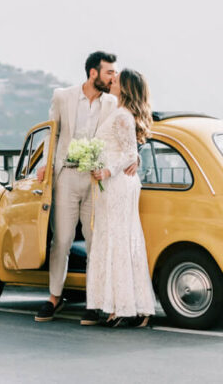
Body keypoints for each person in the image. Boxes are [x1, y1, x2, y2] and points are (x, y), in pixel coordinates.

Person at [34, 51, 137, 324]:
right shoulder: (62, 97)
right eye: (109, 73)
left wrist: (134, 155)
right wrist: (44, 164)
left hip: (97, 180)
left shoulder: (113, 102)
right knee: (62, 240)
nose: (114, 77)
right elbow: (51, 133)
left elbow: (128, 128)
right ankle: (54, 297)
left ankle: (93, 303)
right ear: (93, 73)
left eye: (114, 73)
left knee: (96, 241)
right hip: (66, 176)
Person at [86, 68, 156, 327]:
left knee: (118, 240)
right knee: (118, 239)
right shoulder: (119, 113)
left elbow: (128, 153)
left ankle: (122, 307)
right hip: (112, 184)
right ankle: (129, 306)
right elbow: (128, 152)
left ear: (125, 88)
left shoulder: (123, 116)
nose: (112, 80)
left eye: (116, 80)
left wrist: (106, 170)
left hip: (117, 185)